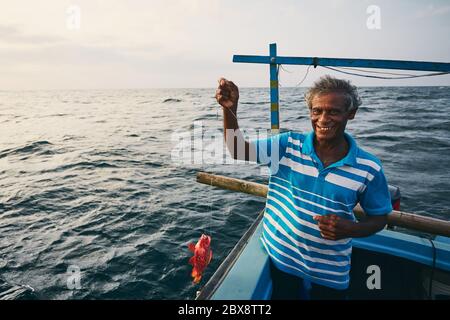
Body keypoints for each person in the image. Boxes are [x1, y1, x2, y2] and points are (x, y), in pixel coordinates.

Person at [215, 75, 393, 300]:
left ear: (351, 114)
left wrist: (351, 229)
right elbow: (238, 150)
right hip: (282, 258)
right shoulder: (286, 145)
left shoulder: (369, 168)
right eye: (317, 111)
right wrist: (230, 110)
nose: (323, 119)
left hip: (331, 272)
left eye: (333, 112)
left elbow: (379, 218)